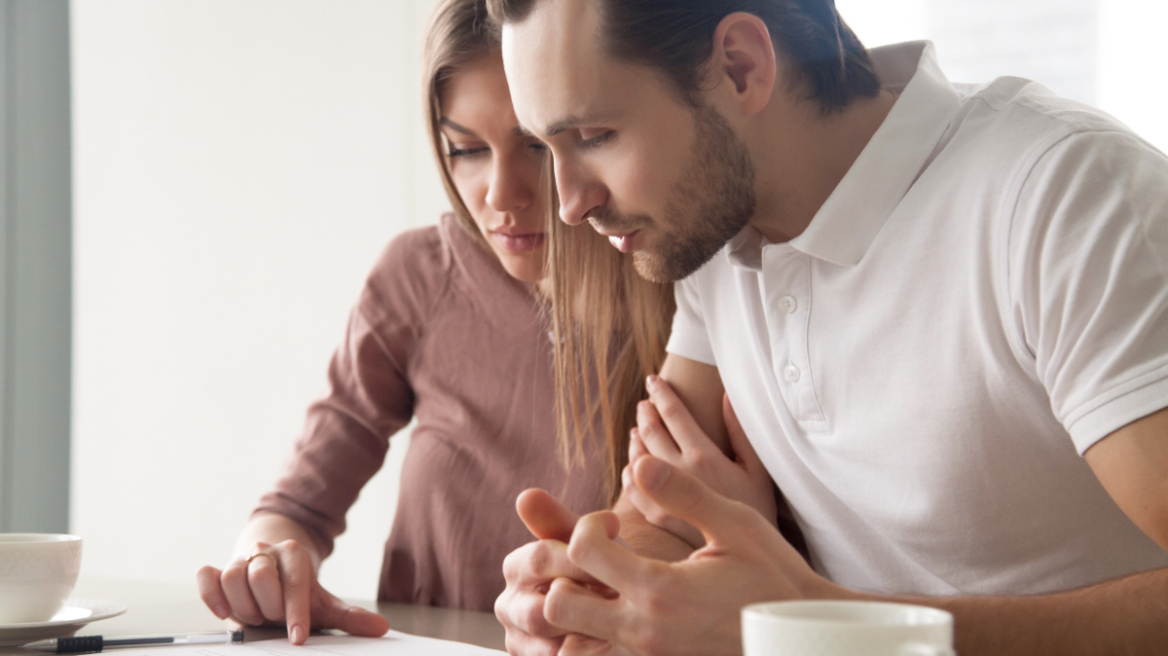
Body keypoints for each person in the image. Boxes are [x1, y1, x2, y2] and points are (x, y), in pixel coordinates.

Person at [487, 0, 1168, 654]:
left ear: (741, 66)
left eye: (594, 136)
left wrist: (816, 629)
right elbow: (664, 516)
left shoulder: (1064, 197)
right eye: (548, 147)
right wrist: (595, 594)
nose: (570, 204)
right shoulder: (710, 231)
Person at [193, 0, 673, 644]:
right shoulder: (419, 275)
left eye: (532, 144)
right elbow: (295, 508)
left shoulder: (682, 289)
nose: (500, 196)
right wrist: (267, 561)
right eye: (465, 149)